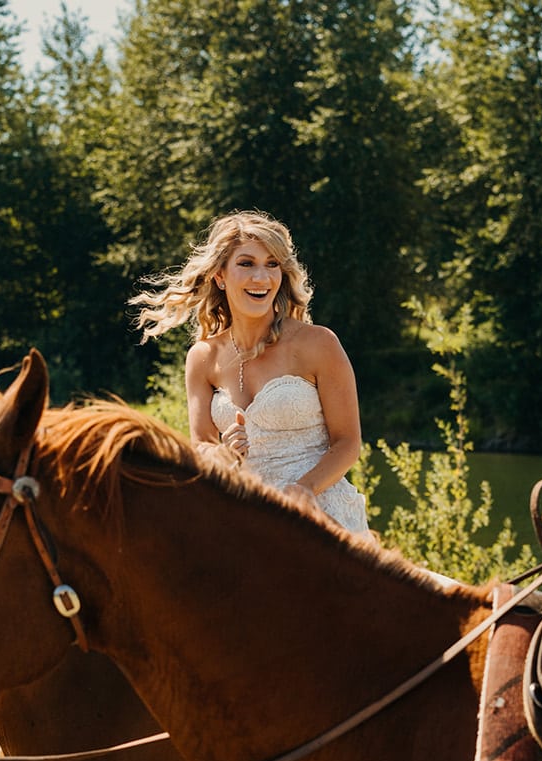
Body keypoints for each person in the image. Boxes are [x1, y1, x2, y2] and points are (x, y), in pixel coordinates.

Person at [131, 210, 371, 537]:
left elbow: (347, 443)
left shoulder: (318, 344)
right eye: (247, 264)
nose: (262, 277)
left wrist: (305, 489)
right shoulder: (203, 357)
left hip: (319, 512)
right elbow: (201, 448)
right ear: (220, 275)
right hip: (243, 520)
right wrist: (223, 455)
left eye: (272, 264)